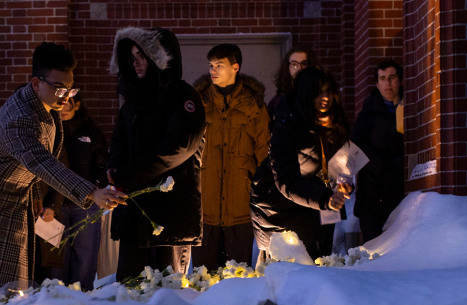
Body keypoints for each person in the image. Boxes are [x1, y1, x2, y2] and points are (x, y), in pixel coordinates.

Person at [0, 42, 124, 305]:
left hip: (12, 199)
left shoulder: (43, 105)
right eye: (59, 88)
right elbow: (42, 162)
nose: (65, 96)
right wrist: (91, 193)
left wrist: (39, 195)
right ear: (36, 82)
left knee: (13, 285)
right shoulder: (20, 118)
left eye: (70, 89)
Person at [107, 27, 206, 280]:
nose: (136, 62)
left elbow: (178, 147)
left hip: (169, 214)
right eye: (132, 56)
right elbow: (119, 138)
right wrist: (113, 168)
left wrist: (127, 175)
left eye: (142, 55)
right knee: (130, 291)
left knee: (166, 293)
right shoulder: (133, 101)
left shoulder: (183, 97)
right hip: (135, 212)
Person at [251, 68, 353, 263]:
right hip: (279, 207)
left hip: (318, 203)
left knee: (320, 260)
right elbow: (286, 181)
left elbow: (342, 164)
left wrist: (344, 184)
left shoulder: (334, 125)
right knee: (292, 269)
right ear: (306, 94)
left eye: (328, 91)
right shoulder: (287, 127)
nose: (325, 97)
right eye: (318, 92)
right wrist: (325, 199)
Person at [192, 43, 269, 270]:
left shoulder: (254, 106)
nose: (213, 70)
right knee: (202, 278)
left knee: (239, 276)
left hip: (241, 208)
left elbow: (264, 152)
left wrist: (262, 192)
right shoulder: (199, 105)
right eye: (211, 65)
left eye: (219, 65)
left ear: (235, 67)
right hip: (206, 208)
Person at [47, 93, 108, 291]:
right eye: (60, 105)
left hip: (85, 204)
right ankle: (55, 301)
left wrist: (96, 186)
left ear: (77, 105)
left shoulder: (90, 131)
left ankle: (82, 301)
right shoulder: (50, 130)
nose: (64, 109)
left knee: (85, 257)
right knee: (56, 262)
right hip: (56, 205)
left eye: (69, 104)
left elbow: (103, 163)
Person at [351, 59, 405, 242]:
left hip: (400, 184)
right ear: (377, 83)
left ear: (400, 80)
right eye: (382, 78)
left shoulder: (408, 107)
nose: (388, 83)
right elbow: (357, 145)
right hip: (373, 189)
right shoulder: (368, 111)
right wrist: (380, 166)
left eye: (392, 77)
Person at [268, 46, 318, 127]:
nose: (299, 68)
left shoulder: (318, 98)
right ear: (288, 68)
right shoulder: (277, 101)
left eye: (304, 64)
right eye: (294, 64)